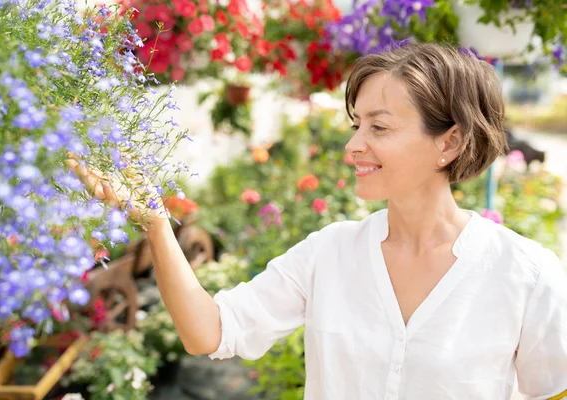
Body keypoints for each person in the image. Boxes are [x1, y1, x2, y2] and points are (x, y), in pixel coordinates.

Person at [67, 42, 567, 399]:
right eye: (356, 125)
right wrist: (155, 221)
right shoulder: (330, 253)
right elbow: (210, 332)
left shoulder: (524, 274)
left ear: (450, 142)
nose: (353, 145)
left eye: (380, 127)